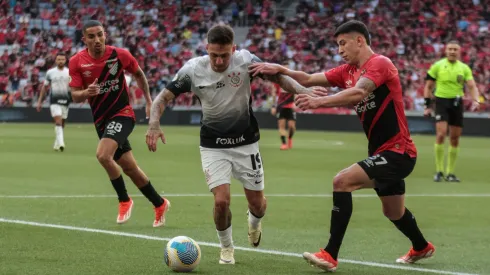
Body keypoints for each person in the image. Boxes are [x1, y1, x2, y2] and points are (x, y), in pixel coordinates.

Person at [249, 20, 435, 272]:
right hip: (382, 152)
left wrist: (319, 103)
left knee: (342, 181)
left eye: (342, 43)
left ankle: (330, 254)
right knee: (393, 212)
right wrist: (279, 68)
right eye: (337, 45)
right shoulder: (347, 71)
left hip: (399, 151)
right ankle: (421, 246)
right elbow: (308, 78)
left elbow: (358, 94)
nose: (339, 50)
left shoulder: (380, 64)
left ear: (360, 41)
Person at [146, 24, 311, 265]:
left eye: (225, 55)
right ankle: (227, 247)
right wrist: (153, 124)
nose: (220, 61)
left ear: (233, 49)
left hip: (247, 143)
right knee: (221, 200)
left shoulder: (245, 61)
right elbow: (162, 98)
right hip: (213, 146)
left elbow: (278, 77)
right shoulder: (193, 70)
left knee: (258, 205)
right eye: (214, 55)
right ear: (207, 49)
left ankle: (254, 222)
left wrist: (302, 90)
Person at [68, 20, 170, 227]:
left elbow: (139, 74)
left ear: (105, 34)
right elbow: (75, 96)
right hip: (101, 121)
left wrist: (149, 101)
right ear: (84, 39)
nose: (97, 40)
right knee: (130, 168)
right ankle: (159, 203)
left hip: (123, 114)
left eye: (100, 35)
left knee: (103, 155)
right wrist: (86, 93)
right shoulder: (77, 62)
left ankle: (124, 199)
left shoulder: (119, 55)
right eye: (91, 36)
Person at [423, 41, 480, 183]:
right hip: (441, 102)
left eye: (455, 49)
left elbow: (472, 86)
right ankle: (439, 171)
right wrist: (427, 106)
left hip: (457, 103)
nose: (452, 51)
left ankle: (450, 173)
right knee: (441, 134)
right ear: (445, 51)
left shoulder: (464, 68)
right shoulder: (437, 66)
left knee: (455, 138)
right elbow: (428, 86)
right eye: (450, 49)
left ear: (459, 52)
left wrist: (476, 100)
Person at [36, 53, 71, 151]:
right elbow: (45, 87)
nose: (60, 61)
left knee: (62, 123)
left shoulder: (69, 72)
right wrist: (40, 101)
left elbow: (73, 87)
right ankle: (61, 144)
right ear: (56, 61)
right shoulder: (50, 72)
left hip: (66, 100)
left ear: (65, 61)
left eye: (62, 59)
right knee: (58, 121)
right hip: (54, 101)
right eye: (59, 59)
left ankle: (56, 143)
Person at [270, 80, 296, 150]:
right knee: (281, 126)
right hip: (281, 106)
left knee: (292, 126)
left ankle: (290, 138)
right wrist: (273, 106)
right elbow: (274, 93)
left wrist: (295, 103)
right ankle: (284, 143)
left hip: (290, 106)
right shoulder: (277, 81)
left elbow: (297, 91)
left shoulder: (292, 80)